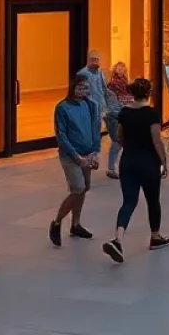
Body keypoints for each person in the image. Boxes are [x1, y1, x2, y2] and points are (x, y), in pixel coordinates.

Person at [101, 78, 169, 263]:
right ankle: (155, 236)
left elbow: (119, 137)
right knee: (152, 200)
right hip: (148, 161)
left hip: (128, 160)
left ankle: (118, 239)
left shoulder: (125, 112)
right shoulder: (152, 114)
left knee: (129, 201)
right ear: (149, 93)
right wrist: (163, 161)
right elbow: (156, 140)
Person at [50, 76, 101, 247]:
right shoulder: (63, 107)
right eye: (79, 88)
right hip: (71, 155)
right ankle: (57, 222)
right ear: (72, 88)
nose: (82, 91)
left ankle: (76, 224)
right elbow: (61, 135)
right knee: (77, 187)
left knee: (84, 188)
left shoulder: (91, 105)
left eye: (85, 88)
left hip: (88, 153)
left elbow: (95, 129)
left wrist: (95, 152)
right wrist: (76, 156)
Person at [104, 62, 132, 179]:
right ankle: (111, 168)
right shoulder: (112, 84)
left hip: (121, 114)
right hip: (114, 115)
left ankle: (116, 167)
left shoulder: (125, 82)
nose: (120, 70)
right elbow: (115, 101)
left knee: (121, 142)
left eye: (122, 68)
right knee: (117, 141)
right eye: (118, 68)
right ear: (115, 70)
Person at [77, 50, 107, 145]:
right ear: (88, 60)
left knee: (98, 124)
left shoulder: (100, 72)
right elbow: (79, 91)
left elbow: (103, 87)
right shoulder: (82, 73)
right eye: (93, 59)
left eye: (97, 60)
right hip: (88, 103)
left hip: (100, 102)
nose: (95, 62)